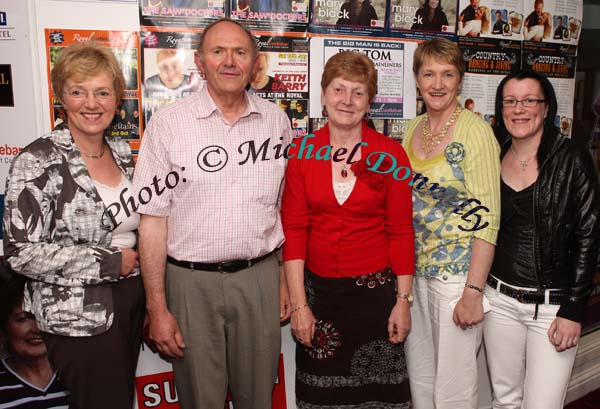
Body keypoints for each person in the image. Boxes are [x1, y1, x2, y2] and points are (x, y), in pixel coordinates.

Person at [133, 18, 292, 409]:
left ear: (256, 63)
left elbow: (282, 206)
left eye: (240, 52)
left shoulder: (277, 122)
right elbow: (152, 221)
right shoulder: (169, 125)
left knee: (258, 398)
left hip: (259, 279)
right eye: (218, 51)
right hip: (190, 285)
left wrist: (285, 281)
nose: (230, 61)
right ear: (200, 62)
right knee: (200, 400)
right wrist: (157, 308)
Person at [3, 41, 144, 409]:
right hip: (77, 316)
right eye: (78, 92)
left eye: (102, 92)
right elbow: (21, 253)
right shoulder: (39, 159)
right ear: (61, 96)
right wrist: (109, 261)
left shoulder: (123, 152)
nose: (91, 103)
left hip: (129, 301)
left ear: (117, 98)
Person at [282, 51, 414, 408]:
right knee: (320, 397)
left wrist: (403, 302)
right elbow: (294, 230)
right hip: (319, 299)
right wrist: (299, 306)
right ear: (323, 96)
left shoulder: (391, 155)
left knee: (379, 398)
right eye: (338, 89)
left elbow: (401, 232)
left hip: (375, 300)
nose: (347, 101)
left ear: (369, 101)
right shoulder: (302, 152)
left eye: (358, 92)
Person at [484, 70, 600, 409]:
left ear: (546, 108)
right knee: (504, 400)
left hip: (551, 308)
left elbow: (589, 235)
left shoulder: (572, 159)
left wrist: (574, 308)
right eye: (510, 101)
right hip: (499, 300)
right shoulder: (493, 152)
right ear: (501, 107)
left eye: (529, 100)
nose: (519, 109)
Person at [402, 37, 501, 409]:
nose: (437, 84)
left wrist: (473, 293)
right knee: (422, 385)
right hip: (418, 278)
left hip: (458, 281)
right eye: (428, 74)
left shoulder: (475, 132)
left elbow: (488, 218)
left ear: (461, 79)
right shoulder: (412, 130)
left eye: (447, 74)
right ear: (417, 79)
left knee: (454, 394)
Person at [0, 274, 70, 409]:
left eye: (46, 315)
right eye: (24, 319)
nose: (37, 328)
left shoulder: (78, 375)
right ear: (4, 329)